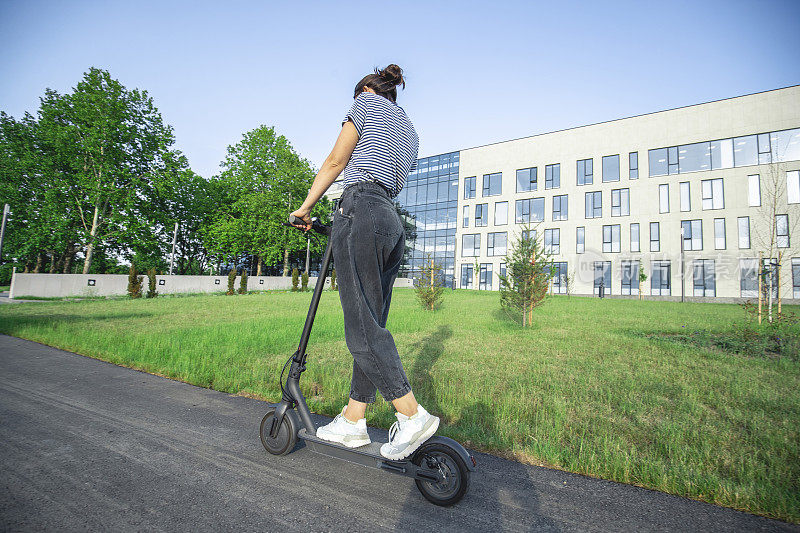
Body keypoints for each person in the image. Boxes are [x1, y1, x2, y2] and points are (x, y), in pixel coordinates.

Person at [289, 64, 438, 460]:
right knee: (372, 322)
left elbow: (336, 162)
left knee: (361, 328)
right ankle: (353, 419)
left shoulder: (365, 103)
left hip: (360, 207)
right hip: (389, 222)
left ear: (369, 90)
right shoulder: (410, 130)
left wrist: (305, 209)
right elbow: (377, 191)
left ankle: (411, 415)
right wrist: (329, 226)